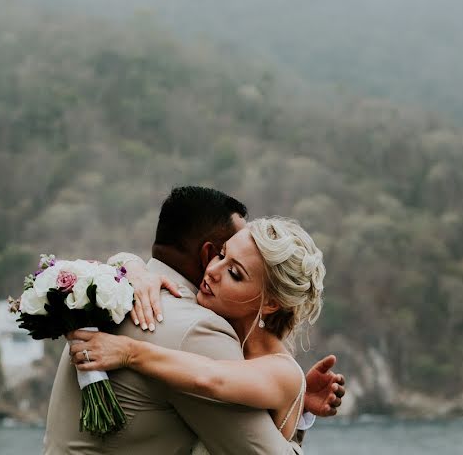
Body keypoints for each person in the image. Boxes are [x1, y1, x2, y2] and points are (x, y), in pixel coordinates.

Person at [43, 186, 344, 454]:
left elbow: (213, 379)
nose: (215, 270)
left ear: (271, 303)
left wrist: (128, 352)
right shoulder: (192, 326)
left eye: (235, 273)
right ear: (208, 252)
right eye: (222, 254)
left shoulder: (117, 297)